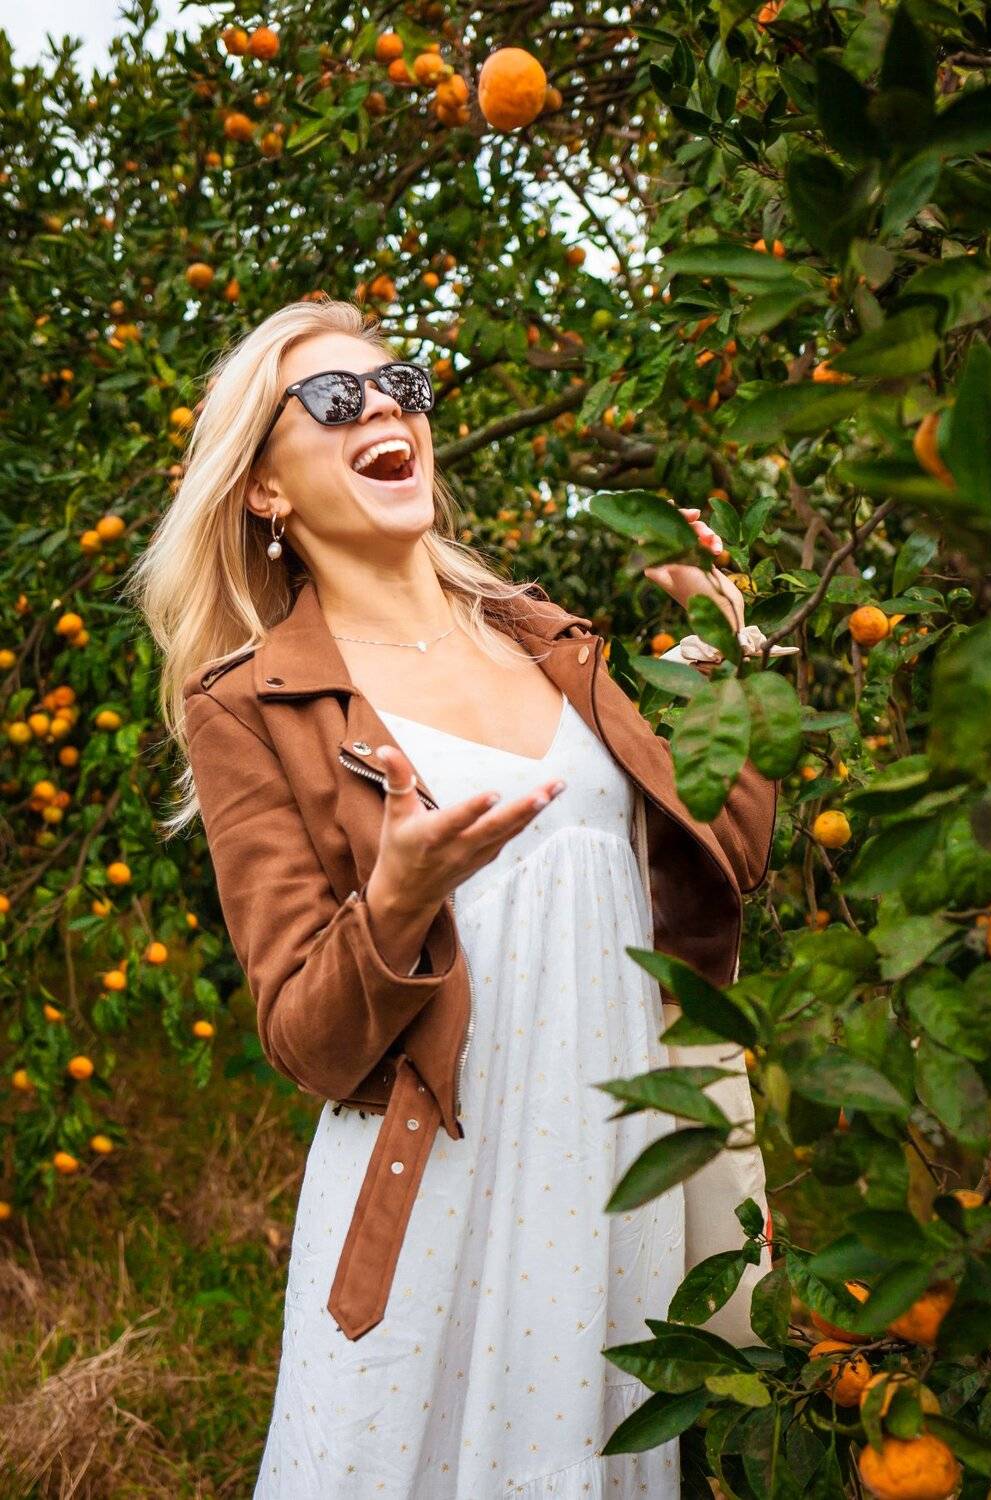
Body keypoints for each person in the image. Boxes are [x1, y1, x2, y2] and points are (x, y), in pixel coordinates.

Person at [129, 297, 792, 1499]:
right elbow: (306, 1038)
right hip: (439, 1193)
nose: (383, 408)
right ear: (264, 488)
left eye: (402, 384)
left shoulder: (547, 641)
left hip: (618, 1173)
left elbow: (730, 856)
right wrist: (396, 901)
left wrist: (725, 674)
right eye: (335, 399)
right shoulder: (251, 705)